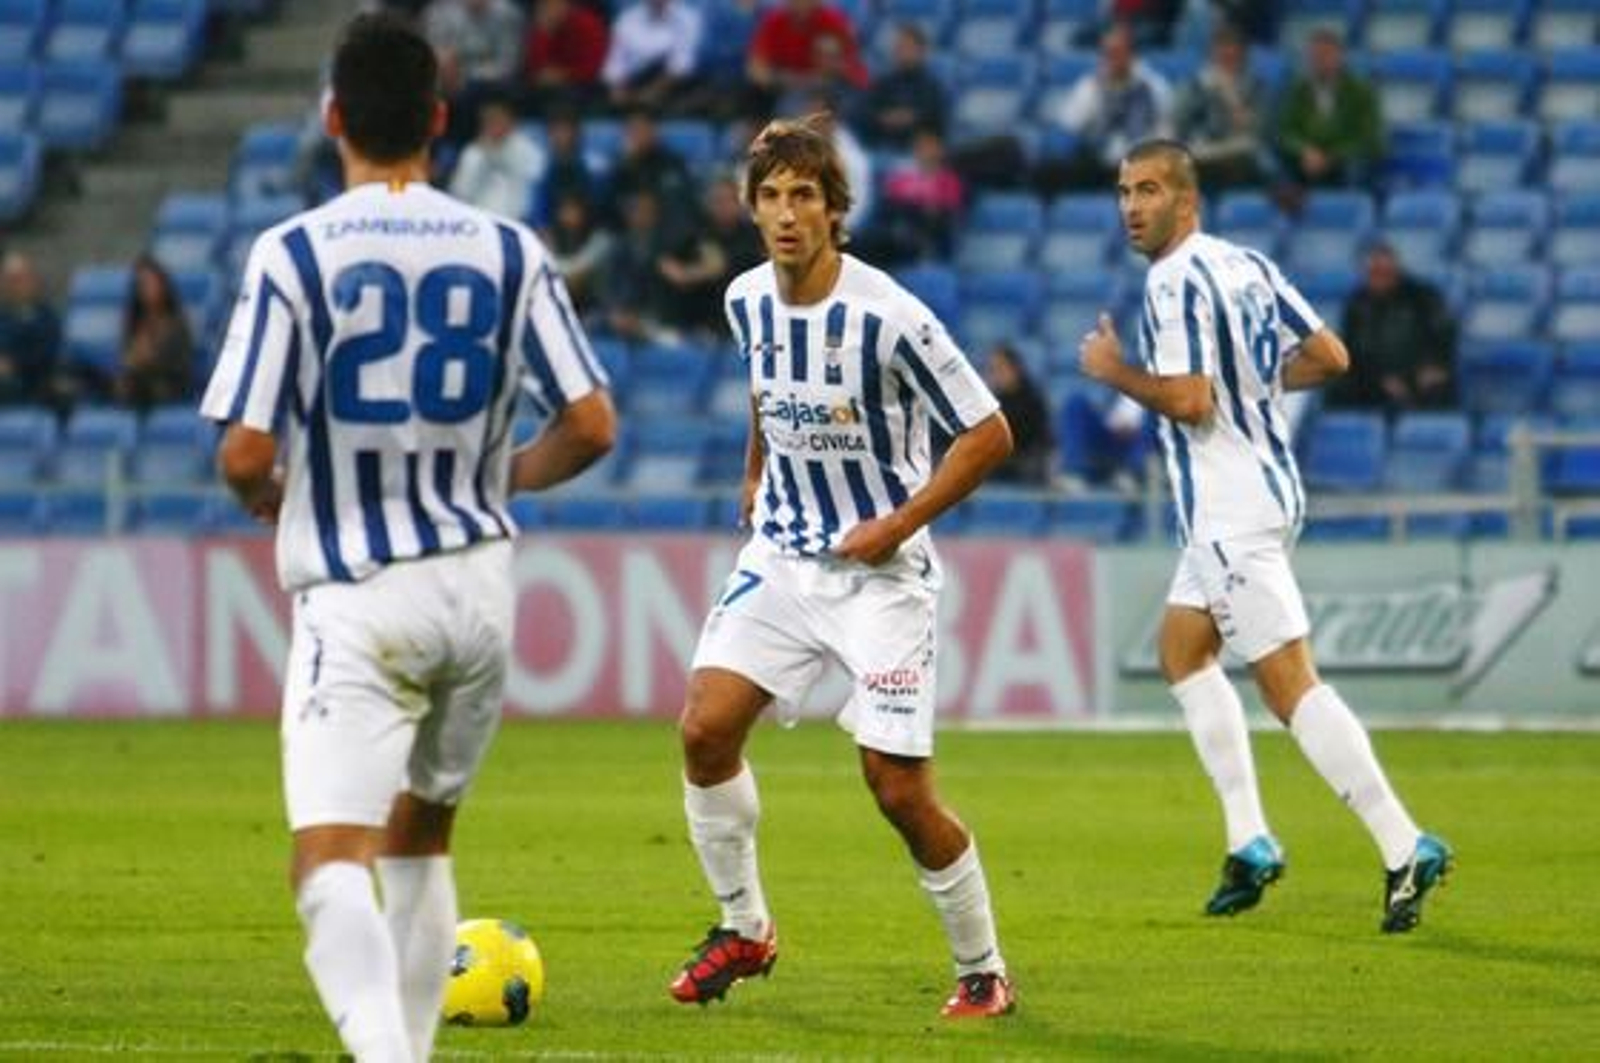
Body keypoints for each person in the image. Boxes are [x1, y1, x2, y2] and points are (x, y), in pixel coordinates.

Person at [199, 14, 616, 1061]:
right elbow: (592, 424)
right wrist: (497, 476)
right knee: (421, 840)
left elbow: (245, 454)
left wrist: (277, 493)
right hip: (479, 592)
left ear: (334, 116)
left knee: (330, 861)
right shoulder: (509, 249)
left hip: (361, 586)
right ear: (439, 120)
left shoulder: (295, 253)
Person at [668, 113, 1017, 1019]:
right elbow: (765, 387)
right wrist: (755, 469)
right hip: (782, 558)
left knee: (896, 788)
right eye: (772, 196)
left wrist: (896, 524)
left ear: (835, 211)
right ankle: (743, 926)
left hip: (881, 576)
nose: (788, 213)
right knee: (705, 730)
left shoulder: (890, 315)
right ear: (751, 209)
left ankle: (982, 968)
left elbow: (989, 434)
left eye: (805, 197)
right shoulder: (745, 299)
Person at [1076, 139, 1452, 933]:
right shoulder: (1246, 263)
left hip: (1227, 509)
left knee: (1290, 684)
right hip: (1263, 491)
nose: (1132, 206)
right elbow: (1330, 356)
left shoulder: (1172, 280)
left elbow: (1188, 401)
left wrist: (1115, 372)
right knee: (1182, 650)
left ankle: (1403, 841)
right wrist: (1256, 384)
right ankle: (1248, 839)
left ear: (1187, 200)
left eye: (1148, 189)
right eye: (1123, 191)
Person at [1036, 22, 1174, 195]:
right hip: (1099, 163)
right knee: (1052, 165)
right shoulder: (1091, 85)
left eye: (1117, 52)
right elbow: (1069, 126)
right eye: (1107, 53)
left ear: (1132, 54)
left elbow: (1166, 134)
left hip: (1140, 165)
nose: (1111, 59)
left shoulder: (1154, 87)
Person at [1330, 242, 1457, 413]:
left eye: (1385, 273)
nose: (1380, 279)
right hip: (1374, 380)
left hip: (1418, 375)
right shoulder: (1357, 305)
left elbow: (1443, 335)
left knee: (1438, 389)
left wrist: (1433, 365)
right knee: (1337, 388)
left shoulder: (1422, 297)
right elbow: (1349, 351)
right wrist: (1379, 379)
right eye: (1374, 273)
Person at [1274, 27, 1382, 193]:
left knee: (1354, 168)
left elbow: (1370, 138)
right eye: (1314, 56)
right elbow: (1286, 131)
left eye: (1325, 55)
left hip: (1344, 161)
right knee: (1277, 164)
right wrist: (1305, 150)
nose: (1318, 61)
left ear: (1340, 56)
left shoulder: (1362, 91)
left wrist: (1331, 157)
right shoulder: (1298, 90)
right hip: (1307, 160)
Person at [447, 93, 546, 221]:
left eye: (498, 119)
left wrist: (497, 156)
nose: (493, 124)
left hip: (519, 222)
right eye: (488, 120)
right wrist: (485, 159)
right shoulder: (473, 152)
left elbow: (534, 188)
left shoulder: (528, 150)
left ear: (511, 120)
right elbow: (459, 193)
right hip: (479, 224)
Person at [117, 253, 194, 412]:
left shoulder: (177, 323)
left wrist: (151, 358)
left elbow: (180, 366)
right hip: (137, 382)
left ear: (163, 284)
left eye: (151, 282)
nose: (147, 289)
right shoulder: (134, 323)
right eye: (142, 284)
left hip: (168, 384)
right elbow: (127, 358)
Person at [983, 343, 1054, 485]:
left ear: (1015, 368)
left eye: (1000, 368)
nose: (996, 374)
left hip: (1025, 464)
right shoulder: (994, 400)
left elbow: (1037, 439)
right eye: (992, 369)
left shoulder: (1033, 398)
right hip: (999, 464)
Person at [0, 251, 62, 407]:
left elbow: (47, 353)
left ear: (34, 280)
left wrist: (14, 363)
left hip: (34, 381)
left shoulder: (48, 318)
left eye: (19, 279)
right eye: (9, 280)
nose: (13, 286)